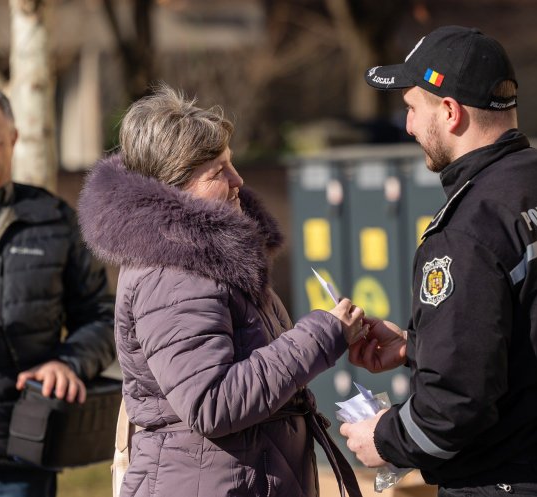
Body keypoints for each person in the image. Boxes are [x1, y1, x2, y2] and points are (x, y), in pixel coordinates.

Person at [340, 26, 537, 497]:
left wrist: (383, 438)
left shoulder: (467, 228)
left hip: (514, 478)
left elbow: (453, 408)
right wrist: (419, 346)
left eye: (412, 108)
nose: (409, 126)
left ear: (450, 112)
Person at [77, 85, 365, 497]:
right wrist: (319, 337)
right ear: (175, 187)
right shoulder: (173, 273)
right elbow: (211, 402)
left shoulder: (208, 258)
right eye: (217, 171)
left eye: (231, 162)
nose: (237, 180)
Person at [0, 90, 116, 496]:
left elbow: (104, 317)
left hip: (23, 449)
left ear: (14, 138)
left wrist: (68, 364)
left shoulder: (55, 220)